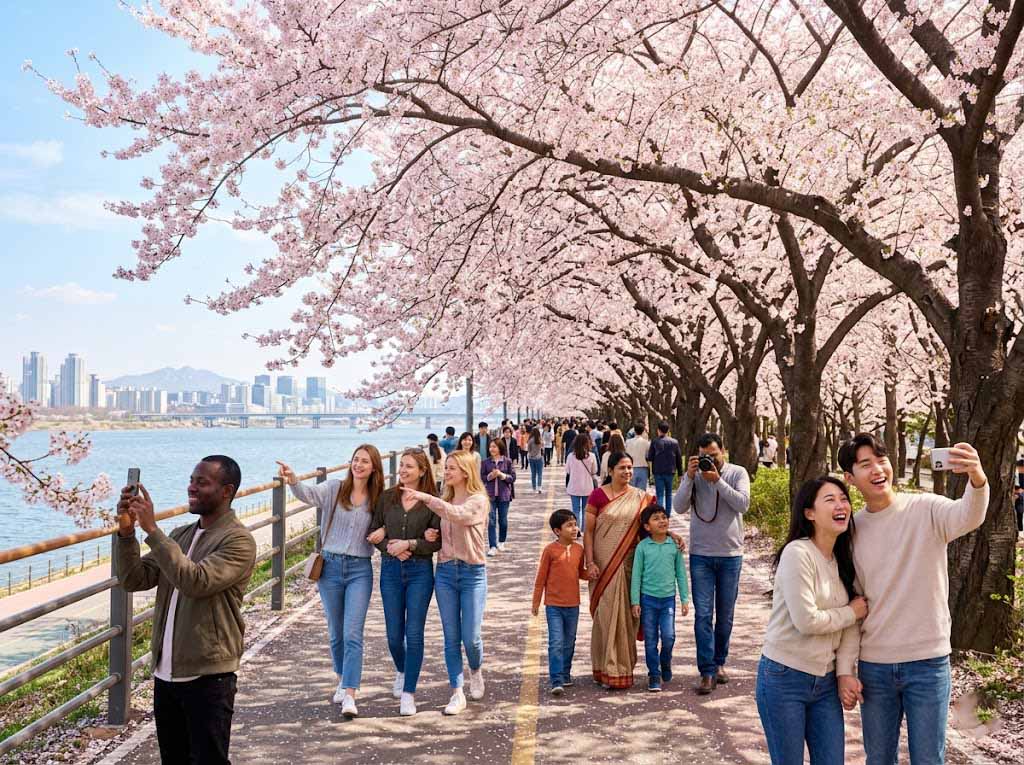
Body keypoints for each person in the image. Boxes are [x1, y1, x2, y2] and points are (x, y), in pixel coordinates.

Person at [837, 433, 988, 765]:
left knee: (928, 759)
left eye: (882, 460)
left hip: (927, 662)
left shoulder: (926, 508)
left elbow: (969, 515)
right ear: (850, 478)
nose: (878, 470)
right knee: (879, 758)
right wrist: (845, 668)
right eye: (865, 464)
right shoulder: (850, 531)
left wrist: (977, 479)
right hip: (875, 665)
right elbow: (854, 605)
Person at [115, 455, 256, 765]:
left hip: (209, 675)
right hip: (166, 673)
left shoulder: (239, 541)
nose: (191, 487)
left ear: (226, 491)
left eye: (201, 482)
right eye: (191, 480)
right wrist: (127, 533)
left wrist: (152, 529)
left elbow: (196, 581)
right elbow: (134, 579)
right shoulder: (181, 535)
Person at [757, 476, 867, 765]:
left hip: (825, 683)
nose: (841, 505)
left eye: (844, 499)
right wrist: (850, 612)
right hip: (784, 677)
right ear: (809, 513)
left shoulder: (843, 559)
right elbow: (807, 620)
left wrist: (844, 672)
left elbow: (852, 624)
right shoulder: (798, 553)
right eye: (830, 500)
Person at [277, 444, 384, 717]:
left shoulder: (378, 497)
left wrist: (383, 531)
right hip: (330, 569)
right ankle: (341, 678)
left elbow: (389, 523)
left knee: (352, 633)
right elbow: (308, 494)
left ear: (374, 467)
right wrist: (293, 479)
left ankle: (350, 694)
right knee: (336, 632)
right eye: (355, 460)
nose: (358, 465)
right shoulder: (335, 488)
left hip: (360, 569)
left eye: (365, 461)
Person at [400, 450, 490, 715]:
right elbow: (444, 526)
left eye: (452, 468)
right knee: (451, 636)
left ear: (466, 472)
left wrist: (425, 498)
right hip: (446, 573)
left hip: (473, 573)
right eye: (446, 467)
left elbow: (459, 515)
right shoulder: (445, 498)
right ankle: (457, 692)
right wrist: (433, 534)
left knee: (471, 637)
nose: (447, 472)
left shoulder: (478, 500)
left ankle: (475, 669)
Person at [584, 453, 684, 689]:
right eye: (622, 468)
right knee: (606, 616)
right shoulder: (598, 495)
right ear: (610, 470)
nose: (627, 472)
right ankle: (605, 668)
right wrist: (590, 562)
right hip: (604, 566)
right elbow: (588, 532)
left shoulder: (642, 498)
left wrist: (671, 534)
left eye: (630, 467)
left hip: (630, 565)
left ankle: (621, 670)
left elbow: (652, 525)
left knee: (628, 618)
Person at [672, 432, 750, 694]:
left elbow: (743, 504)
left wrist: (717, 481)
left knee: (725, 615)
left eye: (714, 455)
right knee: (703, 615)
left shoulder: (737, 473)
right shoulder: (694, 476)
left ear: (723, 451)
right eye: (704, 456)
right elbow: (678, 507)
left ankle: (719, 663)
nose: (709, 460)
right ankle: (706, 671)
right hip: (701, 555)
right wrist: (688, 477)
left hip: (730, 554)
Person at [366, 449, 442, 716]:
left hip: (420, 572)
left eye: (409, 466)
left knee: (414, 632)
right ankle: (402, 669)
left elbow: (437, 543)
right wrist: (390, 547)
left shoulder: (432, 502)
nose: (403, 470)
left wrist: (410, 544)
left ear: (422, 471)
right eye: (401, 466)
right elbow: (373, 532)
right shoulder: (387, 498)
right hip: (390, 570)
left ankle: (409, 692)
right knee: (394, 635)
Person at [630, 504, 690, 692]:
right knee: (650, 640)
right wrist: (635, 601)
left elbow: (681, 574)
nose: (662, 521)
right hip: (647, 600)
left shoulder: (674, 546)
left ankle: (665, 661)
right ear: (647, 526)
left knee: (669, 636)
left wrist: (685, 599)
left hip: (668, 600)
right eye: (656, 518)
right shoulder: (642, 547)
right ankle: (654, 675)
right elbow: (636, 575)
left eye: (664, 517)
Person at [532, 509, 588, 695]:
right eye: (569, 525)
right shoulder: (550, 550)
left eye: (575, 524)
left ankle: (565, 673)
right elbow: (541, 578)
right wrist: (536, 602)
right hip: (554, 606)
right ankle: (556, 679)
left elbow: (580, 572)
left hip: (573, 605)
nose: (574, 528)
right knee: (556, 641)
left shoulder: (579, 549)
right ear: (557, 531)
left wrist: (592, 574)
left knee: (569, 642)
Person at [482, 439, 516, 556]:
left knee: (503, 521)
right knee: (491, 521)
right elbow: (482, 478)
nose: (492, 449)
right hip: (490, 495)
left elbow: (512, 478)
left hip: (504, 495)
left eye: (494, 447)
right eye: (490, 447)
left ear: (500, 448)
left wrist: (502, 475)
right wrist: (490, 476)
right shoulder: (485, 462)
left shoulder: (507, 461)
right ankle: (492, 546)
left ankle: (501, 541)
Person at [565, 433, 598, 534]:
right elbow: (594, 471)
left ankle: (577, 530)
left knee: (575, 509)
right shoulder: (591, 456)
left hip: (574, 487)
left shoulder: (570, 456)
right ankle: (584, 530)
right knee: (585, 510)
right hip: (587, 487)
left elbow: (567, 471)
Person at [647, 421, 683, 514]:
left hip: (658, 471)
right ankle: (667, 514)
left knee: (660, 494)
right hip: (670, 471)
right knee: (668, 494)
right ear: (668, 430)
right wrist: (680, 473)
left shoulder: (655, 441)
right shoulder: (674, 442)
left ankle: (660, 513)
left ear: (658, 430)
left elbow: (650, 457)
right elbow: (678, 458)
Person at [626, 424, 651, 491]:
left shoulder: (628, 442)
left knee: (631, 491)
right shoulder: (646, 443)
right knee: (641, 491)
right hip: (643, 467)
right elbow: (648, 456)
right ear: (643, 431)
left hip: (631, 467)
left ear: (634, 431)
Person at [528, 426, 545, 494]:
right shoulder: (540, 440)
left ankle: (534, 488)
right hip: (539, 458)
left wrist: (532, 453)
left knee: (533, 474)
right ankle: (539, 487)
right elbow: (543, 448)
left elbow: (528, 449)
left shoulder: (530, 440)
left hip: (531, 458)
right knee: (539, 473)